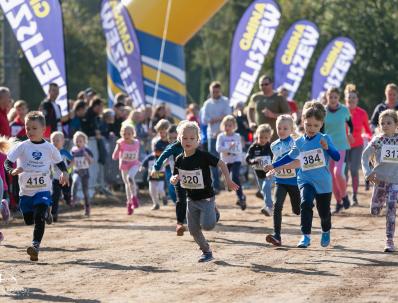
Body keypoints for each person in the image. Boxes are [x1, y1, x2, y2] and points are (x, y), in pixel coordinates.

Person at [264, 101, 340, 248]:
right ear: (303, 122)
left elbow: (336, 157)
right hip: (305, 179)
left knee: (324, 213)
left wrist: (327, 148)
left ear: (321, 124)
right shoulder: (299, 142)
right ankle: (305, 236)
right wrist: (274, 165)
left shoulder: (325, 139)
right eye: (308, 125)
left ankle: (326, 230)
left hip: (323, 182)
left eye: (315, 126)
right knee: (305, 203)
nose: (311, 129)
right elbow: (289, 157)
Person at [4, 111, 69, 261]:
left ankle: (35, 246)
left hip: (43, 189)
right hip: (25, 191)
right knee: (28, 219)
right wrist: (12, 170)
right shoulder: (22, 146)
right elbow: (7, 162)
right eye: (27, 128)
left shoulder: (49, 147)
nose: (30, 131)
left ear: (43, 129)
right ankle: (46, 212)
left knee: (39, 217)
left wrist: (65, 173)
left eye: (34, 128)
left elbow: (60, 162)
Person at [170, 121, 239, 262]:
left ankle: (214, 212)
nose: (188, 141)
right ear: (179, 139)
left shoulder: (203, 156)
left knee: (208, 226)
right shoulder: (179, 159)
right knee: (193, 230)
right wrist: (174, 179)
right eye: (184, 138)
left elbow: (221, 163)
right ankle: (206, 251)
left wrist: (228, 179)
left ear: (197, 140)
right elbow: (175, 175)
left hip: (206, 198)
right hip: (191, 199)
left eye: (191, 138)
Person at [362, 110, 398, 252]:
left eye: (389, 123)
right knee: (375, 210)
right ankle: (377, 203)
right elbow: (365, 157)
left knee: (391, 207)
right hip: (380, 180)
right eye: (382, 123)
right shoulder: (378, 140)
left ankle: (389, 240)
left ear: (396, 124)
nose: (385, 126)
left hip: (395, 180)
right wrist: (368, 173)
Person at [265, 115, 300, 246]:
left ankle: (305, 206)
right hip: (280, 181)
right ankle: (277, 236)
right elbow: (275, 162)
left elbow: (295, 161)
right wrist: (270, 171)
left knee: (297, 210)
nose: (282, 130)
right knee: (277, 205)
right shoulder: (274, 145)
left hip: (294, 182)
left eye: (285, 128)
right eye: (279, 128)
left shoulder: (295, 144)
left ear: (291, 129)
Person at [152, 121, 186, 236]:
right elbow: (164, 157)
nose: (172, 140)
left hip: (187, 175)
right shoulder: (169, 147)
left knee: (189, 196)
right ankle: (181, 218)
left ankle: (187, 214)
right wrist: (158, 166)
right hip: (172, 173)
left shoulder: (185, 146)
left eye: (174, 137)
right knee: (173, 193)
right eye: (170, 138)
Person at [323, 87, 354, 213]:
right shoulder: (323, 111)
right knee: (330, 177)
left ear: (338, 98)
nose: (333, 99)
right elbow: (320, 128)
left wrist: (350, 133)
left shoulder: (344, 110)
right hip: (328, 147)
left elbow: (351, 125)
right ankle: (339, 202)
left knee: (338, 173)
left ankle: (345, 195)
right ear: (327, 97)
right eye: (331, 97)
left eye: (335, 97)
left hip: (341, 146)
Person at [344, 84, 372, 205]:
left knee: (354, 170)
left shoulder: (362, 113)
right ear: (346, 99)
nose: (351, 100)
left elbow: (368, 130)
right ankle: (344, 195)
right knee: (343, 171)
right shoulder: (342, 112)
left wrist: (368, 136)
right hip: (343, 145)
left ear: (357, 99)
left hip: (357, 145)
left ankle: (354, 196)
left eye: (353, 97)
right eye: (349, 97)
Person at [201, 81, 232, 192]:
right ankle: (216, 185)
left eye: (217, 91)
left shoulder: (225, 101)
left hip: (225, 135)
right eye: (213, 91)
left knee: (227, 159)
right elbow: (204, 120)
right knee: (213, 160)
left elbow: (228, 116)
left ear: (220, 91)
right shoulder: (207, 104)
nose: (215, 93)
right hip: (211, 136)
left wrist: (214, 120)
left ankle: (228, 182)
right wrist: (219, 118)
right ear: (210, 91)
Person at [247, 75, 290, 141]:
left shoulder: (279, 97)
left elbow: (288, 115)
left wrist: (273, 115)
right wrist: (251, 122)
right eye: (261, 85)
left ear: (271, 84)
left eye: (266, 84)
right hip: (259, 136)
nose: (263, 86)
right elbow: (250, 109)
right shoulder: (256, 97)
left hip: (276, 135)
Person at [216, 115, 246, 208]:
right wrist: (229, 148)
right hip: (225, 161)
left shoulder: (237, 136)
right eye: (226, 125)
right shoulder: (221, 136)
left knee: (235, 177)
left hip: (236, 159)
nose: (227, 127)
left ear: (234, 126)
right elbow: (218, 148)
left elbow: (238, 149)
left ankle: (240, 197)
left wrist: (231, 149)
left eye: (230, 125)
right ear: (222, 125)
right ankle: (232, 188)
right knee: (228, 180)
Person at [245, 124, 274, 216]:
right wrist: (254, 160)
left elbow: (276, 158)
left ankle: (269, 207)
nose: (263, 140)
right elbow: (247, 159)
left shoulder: (271, 147)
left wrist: (272, 165)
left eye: (266, 137)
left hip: (269, 172)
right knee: (263, 190)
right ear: (257, 136)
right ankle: (269, 203)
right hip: (259, 174)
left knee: (266, 187)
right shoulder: (253, 147)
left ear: (269, 137)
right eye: (261, 137)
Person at [112, 125, 141, 215]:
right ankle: (129, 203)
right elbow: (114, 157)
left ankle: (134, 197)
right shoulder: (120, 143)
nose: (126, 136)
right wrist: (118, 148)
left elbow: (136, 153)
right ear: (121, 134)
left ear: (133, 134)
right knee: (127, 184)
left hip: (134, 164)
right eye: (124, 134)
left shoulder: (137, 142)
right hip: (124, 166)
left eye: (129, 134)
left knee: (130, 178)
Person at [50, 132, 72, 222]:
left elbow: (73, 160)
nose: (55, 142)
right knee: (55, 197)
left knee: (66, 193)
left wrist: (67, 169)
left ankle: (67, 198)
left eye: (57, 140)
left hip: (66, 178)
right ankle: (54, 214)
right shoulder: (51, 153)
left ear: (62, 141)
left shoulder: (64, 152)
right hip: (55, 179)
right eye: (53, 140)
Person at [71, 131, 94, 216]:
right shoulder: (73, 150)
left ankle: (87, 207)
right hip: (77, 171)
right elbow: (72, 162)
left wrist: (87, 156)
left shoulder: (87, 150)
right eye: (77, 141)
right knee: (75, 182)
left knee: (85, 191)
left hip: (85, 172)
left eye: (80, 141)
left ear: (84, 141)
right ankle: (73, 198)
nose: (78, 143)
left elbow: (92, 162)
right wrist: (67, 169)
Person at [141, 144, 167, 210]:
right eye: (156, 151)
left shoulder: (164, 157)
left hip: (160, 176)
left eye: (160, 151)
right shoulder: (150, 157)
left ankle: (164, 196)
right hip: (151, 177)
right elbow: (144, 163)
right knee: (152, 191)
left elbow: (168, 162)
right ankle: (156, 204)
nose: (158, 152)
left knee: (160, 189)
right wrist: (142, 167)